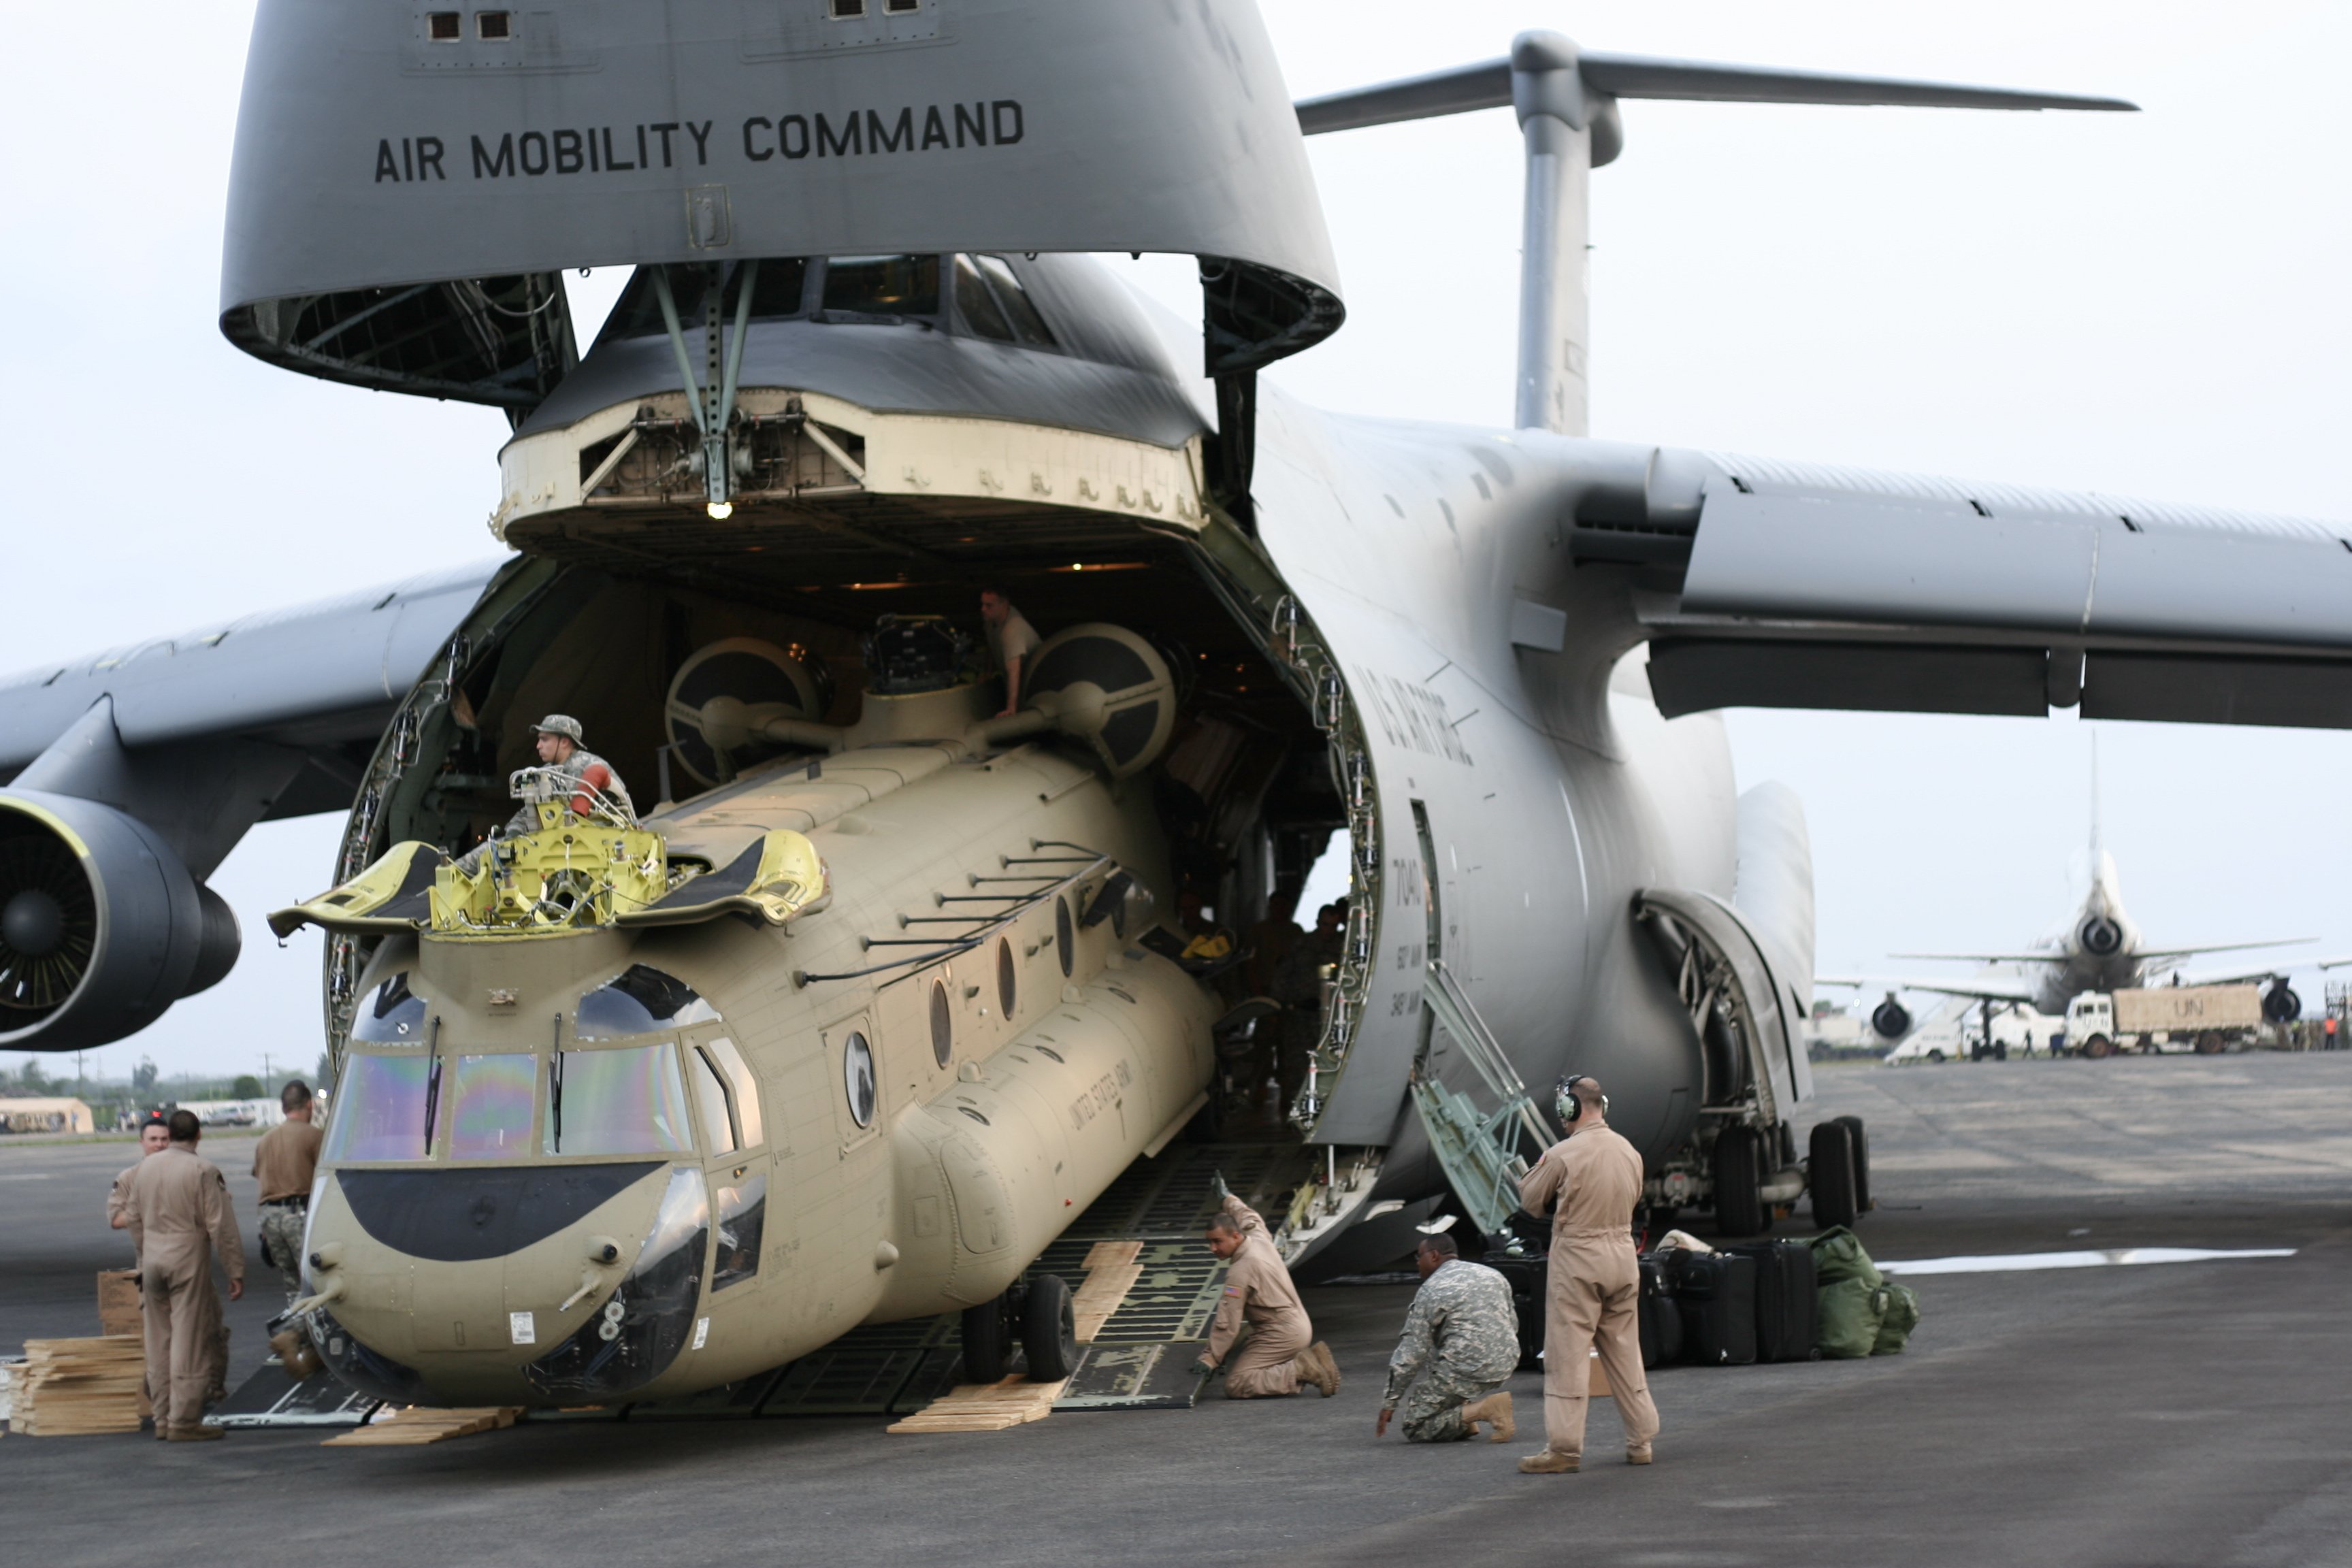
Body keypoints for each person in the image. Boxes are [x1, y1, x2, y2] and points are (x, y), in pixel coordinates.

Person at [1514, 1075, 1659, 1474]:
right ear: (1603, 1105)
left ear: (1570, 1109)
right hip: (1622, 1256)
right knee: (1625, 1351)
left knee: (1567, 1355)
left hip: (1579, 1257)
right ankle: (1641, 1439)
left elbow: (1529, 1200)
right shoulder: (1629, 1151)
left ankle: (1564, 1449)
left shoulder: (1564, 1153)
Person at [122, 1110, 246, 1442]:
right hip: (186, 1258)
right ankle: (184, 1420)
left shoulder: (144, 1168)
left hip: (152, 1258)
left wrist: (146, 1249)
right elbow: (222, 1226)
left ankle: (162, 1417)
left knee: (158, 1340)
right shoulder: (202, 1170)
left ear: (170, 1134)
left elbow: (131, 1216)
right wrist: (235, 1269)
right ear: (199, 1135)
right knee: (188, 1340)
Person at [1196, 1181, 1338, 1399]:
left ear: (1235, 1236)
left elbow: (1228, 1321)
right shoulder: (1259, 1238)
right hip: (1299, 1323)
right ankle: (1314, 1362)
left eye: (1217, 1241)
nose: (1213, 1248)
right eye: (1210, 1242)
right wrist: (1228, 1198)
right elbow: (1249, 1217)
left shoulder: (1240, 1272)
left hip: (1281, 1333)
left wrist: (1211, 1358)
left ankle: (1301, 1369)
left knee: (1237, 1383)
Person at [1377, 1232, 1520, 1443]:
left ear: (1434, 1255)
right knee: (1443, 1341)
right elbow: (1513, 1324)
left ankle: (1486, 1409)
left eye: (1419, 1257)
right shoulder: (1492, 1275)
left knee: (1416, 1426)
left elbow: (1411, 1352)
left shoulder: (1432, 1289)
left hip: (1469, 1367)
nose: (1417, 1263)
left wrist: (1390, 1402)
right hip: (1507, 1360)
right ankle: (1463, 1415)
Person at [251, 1081, 324, 1307]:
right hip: (299, 1216)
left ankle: (297, 1328)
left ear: (284, 1108)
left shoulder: (265, 1140)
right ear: (309, 1105)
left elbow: (261, 1180)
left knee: (292, 1282)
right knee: (315, 1281)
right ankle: (312, 1335)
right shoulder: (315, 1136)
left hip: (270, 1218)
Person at [979, 587, 1041, 717]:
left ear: (1004, 605)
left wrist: (1011, 708)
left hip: (1035, 685)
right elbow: (991, 644)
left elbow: (1014, 670)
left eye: (989, 605)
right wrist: (987, 673)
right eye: (983, 604)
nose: (983, 609)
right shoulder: (991, 622)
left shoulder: (1012, 630)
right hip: (1018, 682)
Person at [106, 1113, 171, 1230]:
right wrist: (152, 1211)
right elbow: (116, 1220)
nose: (159, 1144)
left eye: (164, 1139)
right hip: (148, 1247)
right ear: (142, 1142)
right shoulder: (128, 1178)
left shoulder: (187, 1173)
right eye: (153, 1139)